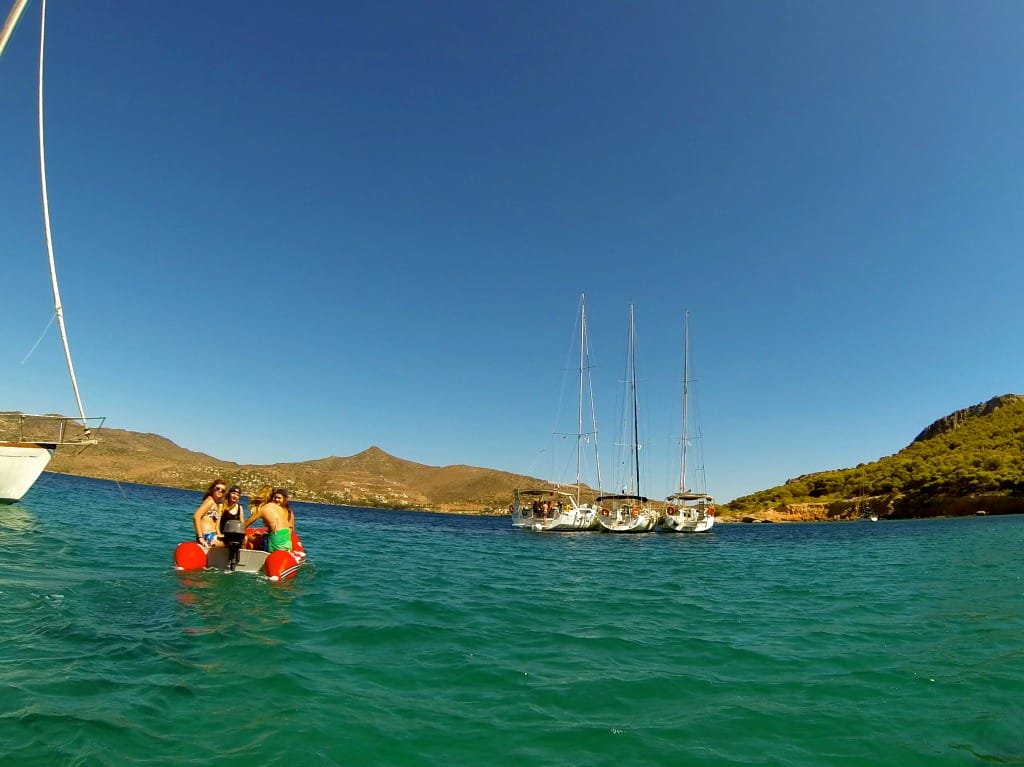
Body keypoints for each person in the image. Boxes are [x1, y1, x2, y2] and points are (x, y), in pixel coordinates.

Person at [244, 484, 293, 552]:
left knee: (248, 537)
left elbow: (244, 525)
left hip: (276, 546)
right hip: (288, 546)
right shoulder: (280, 508)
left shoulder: (262, 509)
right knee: (259, 539)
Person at [193, 478, 227, 548]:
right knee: (233, 543)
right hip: (207, 536)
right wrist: (200, 538)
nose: (220, 491)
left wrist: (219, 534)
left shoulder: (216, 504)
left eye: (223, 490)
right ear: (212, 489)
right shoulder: (210, 501)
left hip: (213, 535)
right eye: (217, 488)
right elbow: (196, 516)